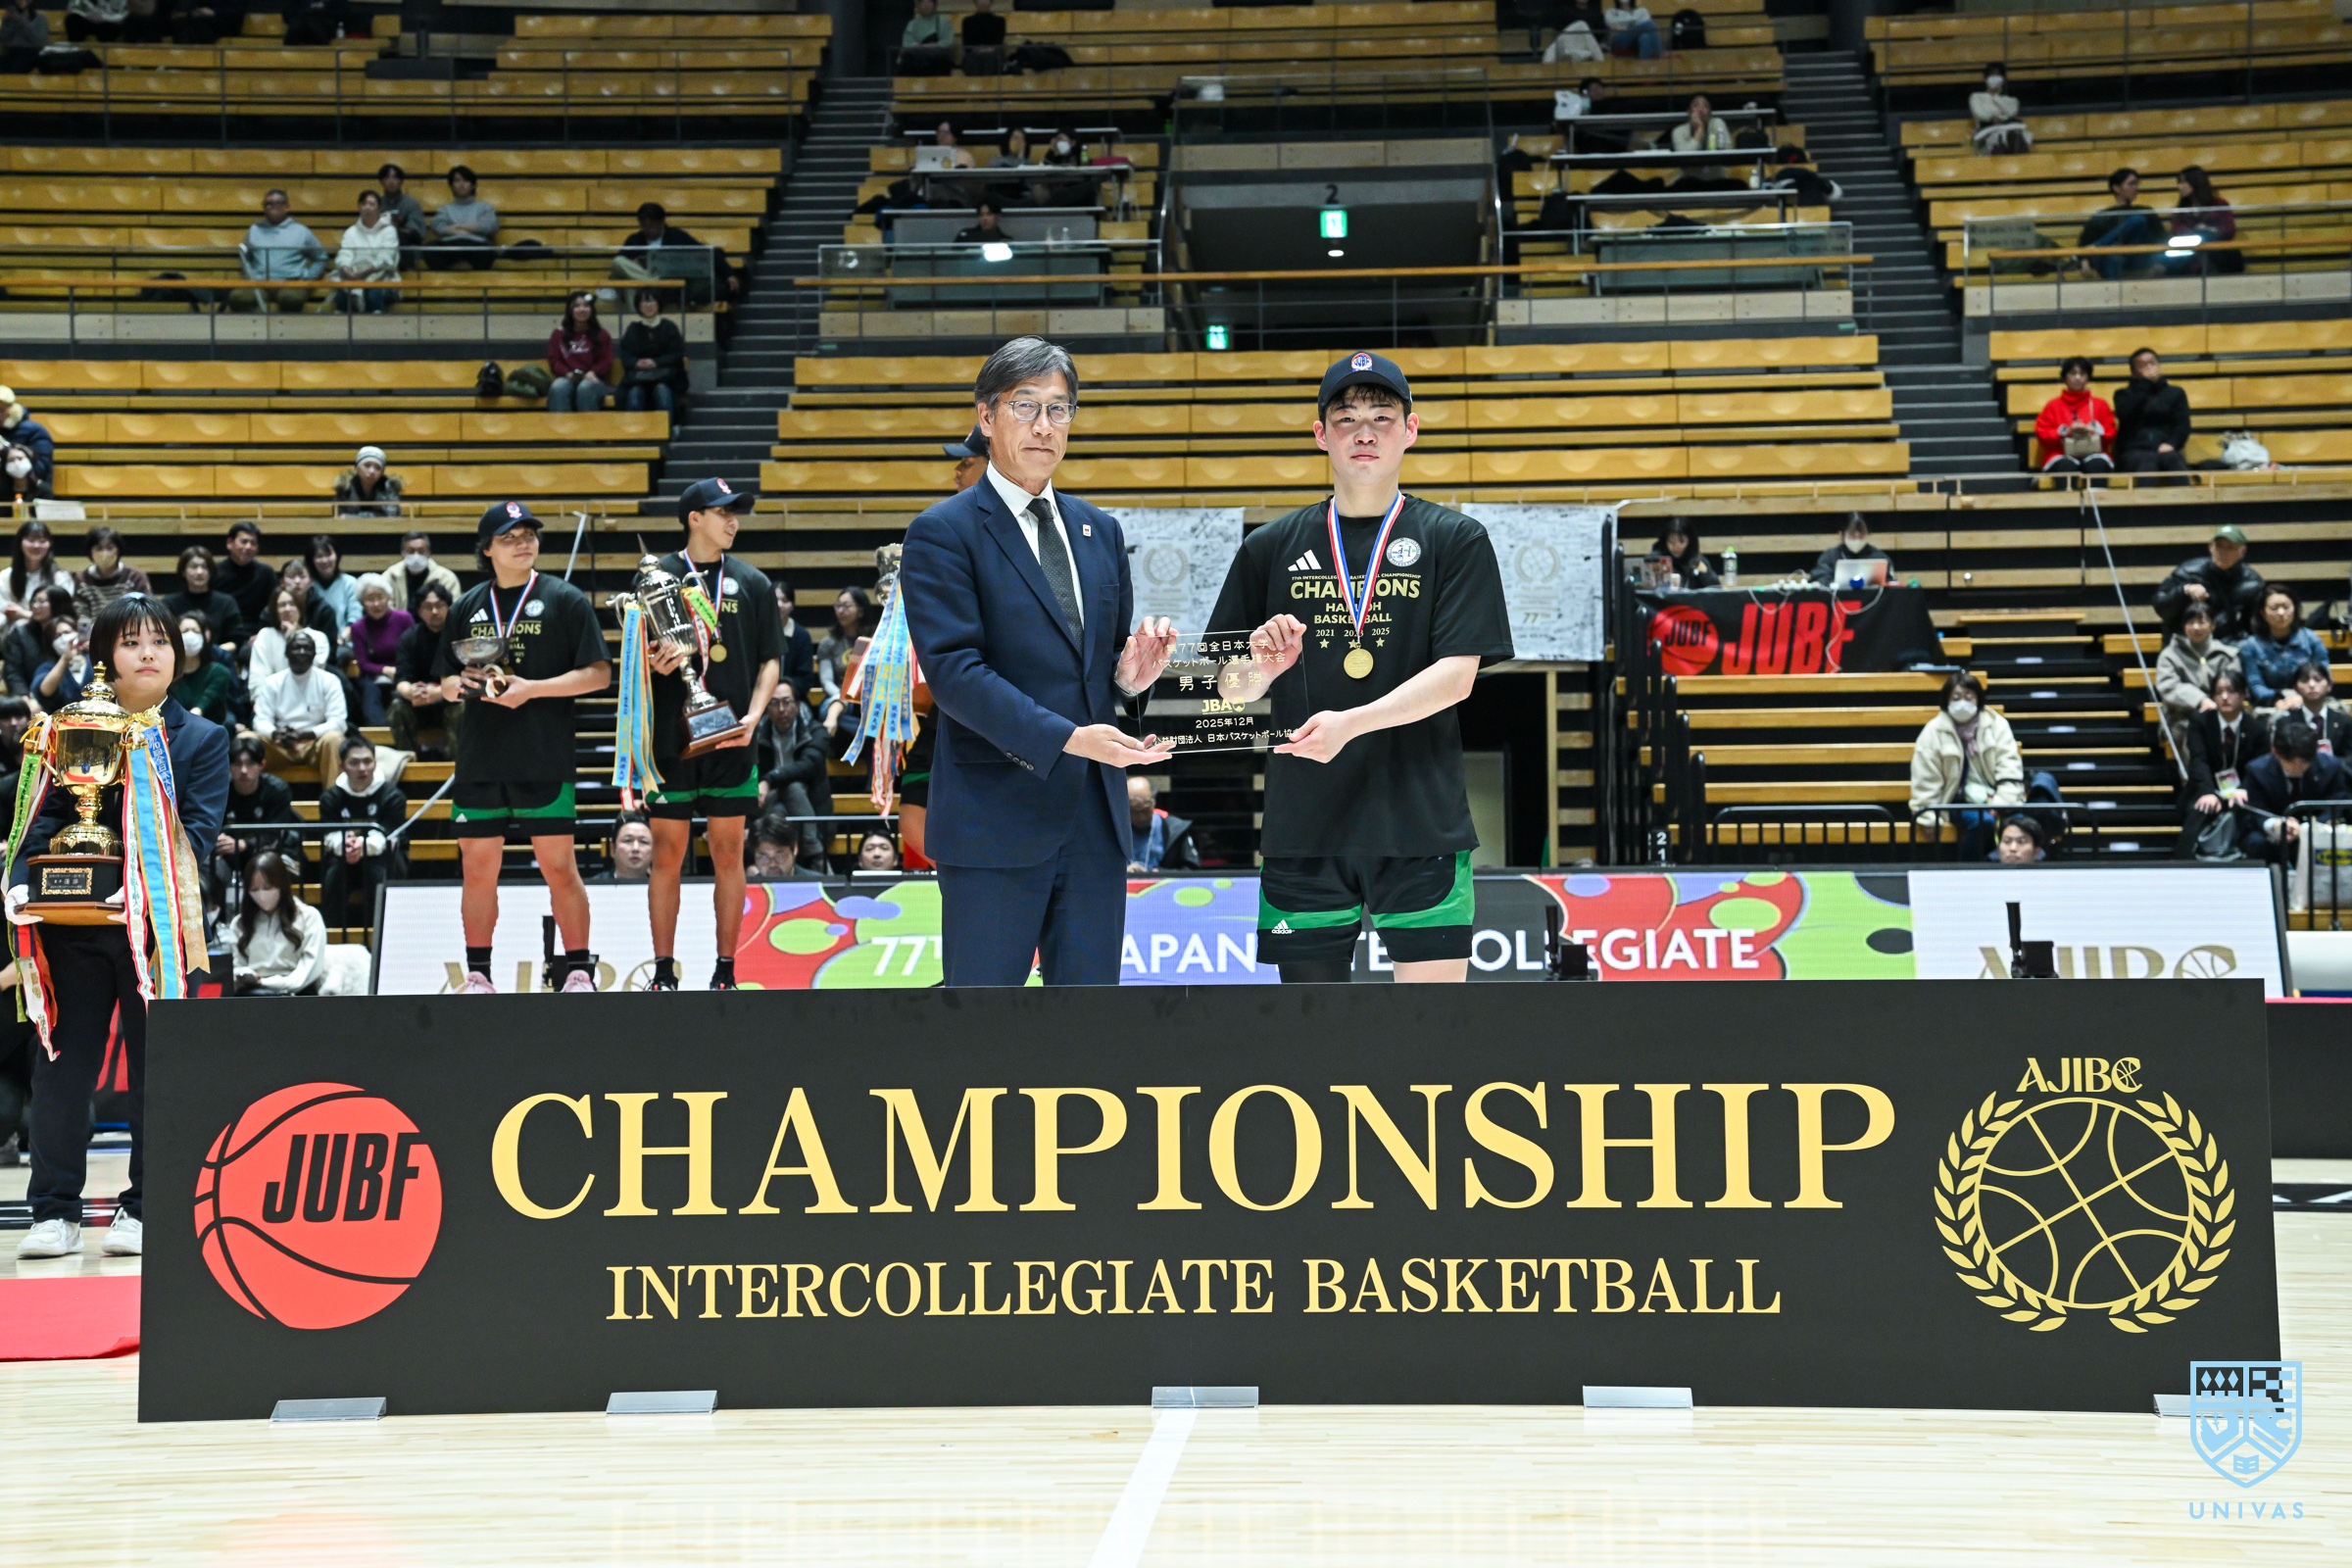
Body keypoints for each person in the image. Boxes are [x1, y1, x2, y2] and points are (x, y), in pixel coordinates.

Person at [1210, 352, 1513, 984]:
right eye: (1346, 419)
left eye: (1382, 416)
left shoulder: (1456, 539)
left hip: (1420, 822)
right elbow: (1227, 689)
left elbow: (1458, 676)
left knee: (1431, 1028)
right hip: (1304, 827)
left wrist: (1350, 724)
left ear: (1411, 430)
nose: (1365, 432)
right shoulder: (1268, 547)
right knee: (1314, 1034)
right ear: (1321, 435)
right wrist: (1261, 669)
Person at [901, 336, 1179, 987]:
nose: (1044, 426)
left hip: (1095, 824)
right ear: (986, 417)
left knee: (1086, 1027)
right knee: (986, 1023)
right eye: (1025, 406)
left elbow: (1100, 669)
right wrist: (1070, 738)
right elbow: (955, 675)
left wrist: (1130, 677)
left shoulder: (1100, 530)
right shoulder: (943, 532)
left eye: (1059, 409)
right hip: (993, 819)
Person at [8, 594, 229, 1260]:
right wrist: (22, 879)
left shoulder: (202, 739)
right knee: (61, 1070)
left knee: (157, 1071)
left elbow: (198, 835)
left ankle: (143, 1207)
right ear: (105, 656)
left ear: (177, 656)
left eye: (159, 641)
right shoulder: (69, 728)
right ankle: (54, 1212)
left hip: (157, 933)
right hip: (72, 926)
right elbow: (41, 818)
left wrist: (132, 884)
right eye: (132, 642)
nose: (148, 654)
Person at [432, 501, 611, 994]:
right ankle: (479, 975)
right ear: (487, 549)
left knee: (560, 868)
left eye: (528, 534)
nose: (523, 543)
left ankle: (579, 971)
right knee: (477, 872)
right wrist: (462, 687)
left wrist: (531, 689)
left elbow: (599, 675)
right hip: (481, 758)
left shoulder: (565, 599)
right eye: (509, 537)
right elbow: (445, 681)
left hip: (543, 755)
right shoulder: (467, 606)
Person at [629, 478, 784, 994]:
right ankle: (663, 973)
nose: (733, 521)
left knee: (729, 853)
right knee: (667, 853)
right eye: (723, 513)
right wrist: (651, 661)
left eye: (736, 513)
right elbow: (632, 658)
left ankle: (726, 971)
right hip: (669, 740)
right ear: (694, 518)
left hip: (733, 737)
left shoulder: (753, 582)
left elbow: (770, 660)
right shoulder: (655, 576)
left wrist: (754, 718)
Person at [1909, 671, 2025, 858]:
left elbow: (2009, 766)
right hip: (1956, 801)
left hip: (1996, 798)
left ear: (1978, 699)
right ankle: (1967, 870)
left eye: (1968, 697)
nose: (1962, 703)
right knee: (1983, 823)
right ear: (1946, 701)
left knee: (2022, 826)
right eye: (1956, 698)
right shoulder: (1933, 731)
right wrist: (1928, 817)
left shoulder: (1997, 725)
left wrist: (2002, 803)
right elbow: (1925, 778)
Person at [316, 734, 405, 930]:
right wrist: (345, 845)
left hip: (383, 859)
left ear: (375, 763)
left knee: (377, 873)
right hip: (344, 858)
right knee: (334, 875)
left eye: (367, 761)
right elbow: (330, 835)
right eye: (354, 763)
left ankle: (382, 934)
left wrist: (363, 846)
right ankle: (332, 935)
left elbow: (390, 834)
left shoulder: (393, 796)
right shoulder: (331, 797)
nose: (362, 768)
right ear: (342, 766)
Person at [2239, 715, 2349, 864]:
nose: (2297, 769)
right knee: (2256, 842)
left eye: (2303, 763)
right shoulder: (2258, 770)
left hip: (2317, 827)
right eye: (2290, 763)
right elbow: (2256, 809)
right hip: (2274, 829)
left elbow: (2336, 802)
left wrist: (2308, 827)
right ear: (2275, 752)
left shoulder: (2331, 767)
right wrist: (2275, 825)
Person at [2180, 668, 2268, 856]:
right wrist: (2208, 791)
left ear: (2244, 694)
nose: (2225, 697)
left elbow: (2258, 768)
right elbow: (2199, 761)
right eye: (2219, 692)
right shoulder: (2200, 722)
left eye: (2231, 691)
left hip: (2243, 790)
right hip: (2207, 785)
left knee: (2250, 812)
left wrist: (2243, 788)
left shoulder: (2257, 729)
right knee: (2200, 808)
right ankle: (2183, 861)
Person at [211, 733, 300, 908]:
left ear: (262, 765)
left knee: (273, 869)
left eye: (250, 764)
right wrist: (219, 841)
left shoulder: (277, 790)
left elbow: (274, 833)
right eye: (237, 764)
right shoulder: (219, 791)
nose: (243, 770)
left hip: (268, 852)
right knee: (211, 871)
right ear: (229, 767)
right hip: (228, 856)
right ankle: (218, 920)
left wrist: (243, 844)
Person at [252, 625, 346, 785]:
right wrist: (276, 733)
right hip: (280, 744)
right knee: (247, 740)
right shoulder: (272, 682)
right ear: (286, 653)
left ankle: (333, 797)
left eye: (307, 649)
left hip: (315, 744)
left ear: (314, 654)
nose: (302, 652)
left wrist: (306, 734)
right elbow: (260, 721)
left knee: (334, 739)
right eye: (296, 648)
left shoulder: (329, 681)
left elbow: (338, 722)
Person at [226, 851, 324, 996]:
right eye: (254, 889)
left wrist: (269, 983)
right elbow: (236, 966)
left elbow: (308, 971)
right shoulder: (240, 923)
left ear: (282, 884)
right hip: (252, 994)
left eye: (267, 888)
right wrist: (244, 975)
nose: (261, 895)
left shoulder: (309, 917)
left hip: (297, 994)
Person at [756, 685, 833, 864]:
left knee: (792, 789)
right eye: (774, 703)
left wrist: (770, 780)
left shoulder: (815, 731)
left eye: (787, 702)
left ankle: (773, 864)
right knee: (781, 801)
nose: (781, 709)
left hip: (811, 807)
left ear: (798, 705)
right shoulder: (758, 734)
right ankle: (816, 854)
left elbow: (808, 766)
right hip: (770, 801)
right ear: (766, 708)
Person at [2153, 600, 2238, 760]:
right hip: (2182, 717)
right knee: (2194, 737)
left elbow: (2234, 685)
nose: (2196, 627)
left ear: (2213, 625)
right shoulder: (2170, 654)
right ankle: (2197, 776)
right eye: (2190, 622)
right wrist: (2200, 700)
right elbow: (2169, 686)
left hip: (2221, 714)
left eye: (2202, 622)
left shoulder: (2227, 655)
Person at [612, 201, 736, 305]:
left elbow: (704, 253)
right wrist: (634, 264)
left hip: (668, 287)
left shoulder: (677, 236)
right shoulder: (634, 240)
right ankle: (652, 284)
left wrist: (728, 274)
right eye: (645, 226)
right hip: (643, 288)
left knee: (632, 282)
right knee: (620, 265)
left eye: (652, 226)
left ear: (661, 222)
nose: (649, 230)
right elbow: (620, 264)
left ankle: (654, 285)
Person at [2154, 523, 2263, 640]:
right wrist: (2184, 590)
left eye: (2230, 547)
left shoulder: (2252, 582)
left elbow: (2258, 625)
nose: (2223, 552)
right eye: (2219, 546)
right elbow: (2161, 608)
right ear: (2211, 547)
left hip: (2232, 645)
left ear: (2242, 551)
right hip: (2188, 643)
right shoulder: (2188, 572)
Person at [390, 579, 458, 757]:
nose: (434, 611)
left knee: (464, 707)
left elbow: (467, 678)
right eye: (428, 607)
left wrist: (438, 692)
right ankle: (407, 763)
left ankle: (456, 767)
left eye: (439, 605)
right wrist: (411, 692)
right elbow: (402, 677)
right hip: (419, 703)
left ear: (449, 607)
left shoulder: (460, 636)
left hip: (450, 700)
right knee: (397, 707)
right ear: (419, 611)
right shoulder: (409, 638)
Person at [234, 188, 326, 313]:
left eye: (276, 203)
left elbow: (321, 258)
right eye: (268, 204)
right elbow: (245, 257)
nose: (271, 207)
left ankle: (289, 326)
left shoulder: (301, 231)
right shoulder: (254, 230)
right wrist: (250, 276)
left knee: (291, 299)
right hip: (259, 283)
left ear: (287, 207)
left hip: (290, 284)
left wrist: (307, 280)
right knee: (239, 298)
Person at [2240, 584, 2329, 709]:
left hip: (2309, 701)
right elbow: (2255, 684)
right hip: (2270, 705)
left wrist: (2303, 697)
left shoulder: (2311, 639)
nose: (2281, 613)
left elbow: (2324, 675)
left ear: (2295, 609)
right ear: (2263, 613)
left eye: (2286, 607)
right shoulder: (2250, 646)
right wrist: (2277, 701)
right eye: (2274, 608)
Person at [2114, 347, 2189, 482]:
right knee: (2147, 462)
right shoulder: (2123, 395)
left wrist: (2172, 444)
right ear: (2133, 372)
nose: (2149, 367)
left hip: (2165, 447)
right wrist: (2145, 384)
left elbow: (2182, 425)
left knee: (2175, 461)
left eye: (2152, 363)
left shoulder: (2175, 393)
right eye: (2143, 365)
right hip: (2134, 450)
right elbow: (2125, 414)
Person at [2076, 168, 2163, 280]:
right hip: (2111, 259)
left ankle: (2098, 245)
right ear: (2116, 188)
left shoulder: (2145, 211)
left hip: (2138, 258)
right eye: (2131, 184)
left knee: (2138, 220)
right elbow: (2085, 241)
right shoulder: (2103, 216)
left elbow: (2160, 238)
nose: (2135, 188)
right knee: (2114, 254)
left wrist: (2159, 261)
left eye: (2137, 184)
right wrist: (2084, 260)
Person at [349, 572, 412, 726]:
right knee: (370, 693)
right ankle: (379, 733)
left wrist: (399, 670)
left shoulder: (404, 619)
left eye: (380, 597)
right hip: (373, 676)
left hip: (404, 671)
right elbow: (363, 663)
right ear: (362, 602)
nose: (376, 604)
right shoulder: (358, 628)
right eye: (370, 599)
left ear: (388, 598)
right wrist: (386, 670)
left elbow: (414, 651)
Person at [2034, 357, 2115, 476]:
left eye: (2082, 374)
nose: (2077, 377)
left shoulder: (2100, 404)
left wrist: (2092, 430)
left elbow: (2111, 433)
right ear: (2065, 377)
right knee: (2066, 466)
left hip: (2095, 452)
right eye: (2073, 373)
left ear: (2088, 377)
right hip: (2060, 453)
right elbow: (2043, 434)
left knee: (2097, 465)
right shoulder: (2053, 406)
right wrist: (2065, 432)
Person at [329, 189, 401, 314]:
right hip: (353, 275)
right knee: (342, 295)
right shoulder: (351, 231)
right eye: (364, 204)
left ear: (379, 208)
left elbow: (385, 258)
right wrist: (347, 271)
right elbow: (345, 254)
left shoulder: (389, 231)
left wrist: (364, 273)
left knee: (373, 294)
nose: (367, 207)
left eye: (372, 204)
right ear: (359, 207)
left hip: (381, 275)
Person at [617, 287, 687, 414]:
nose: (648, 305)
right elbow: (625, 355)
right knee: (634, 395)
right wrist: (637, 363)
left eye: (652, 301)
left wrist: (655, 362)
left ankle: (668, 425)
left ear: (659, 303)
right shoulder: (632, 329)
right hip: (638, 378)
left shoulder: (669, 327)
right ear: (638, 305)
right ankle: (634, 427)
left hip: (666, 378)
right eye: (644, 301)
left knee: (662, 393)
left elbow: (677, 354)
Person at [815, 586, 872, 734]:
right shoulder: (828, 643)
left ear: (861, 611)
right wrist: (843, 697)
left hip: (869, 698)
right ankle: (869, 733)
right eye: (838, 606)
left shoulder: (875, 639)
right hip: (840, 698)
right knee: (826, 710)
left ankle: (865, 733)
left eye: (846, 606)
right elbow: (826, 681)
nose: (840, 611)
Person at [548, 292, 614, 415]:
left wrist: (593, 372)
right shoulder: (558, 334)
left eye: (586, 306)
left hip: (594, 379)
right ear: (570, 310)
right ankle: (560, 426)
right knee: (558, 387)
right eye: (577, 306)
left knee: (585, 388)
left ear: (591, 310)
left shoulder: (602, 334)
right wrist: (567, 373)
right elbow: (554, 360)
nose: (582, 309)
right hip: (567, 377)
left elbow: (606, 361)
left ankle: (589, 427)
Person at [73, 525, 153, 625]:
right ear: (90, 552)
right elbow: (81, 614)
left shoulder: (135, 577)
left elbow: (146, 609)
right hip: (94, 630)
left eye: (110, 548)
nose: (104, 553)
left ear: (118, 550)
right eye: (99, 548)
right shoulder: (82, 579)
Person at [169, 612, 240, 725]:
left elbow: (203, 704)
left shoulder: (219, 672)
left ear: (205, 637)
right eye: (185, 631)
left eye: (196, 631)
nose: (190, 636)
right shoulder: (167, 673)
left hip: (210, 727)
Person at [2167, 166, 2238, 276]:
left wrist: (2209, 231)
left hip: (2215, 254)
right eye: (2179, 182)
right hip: (2189, 256)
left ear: (2196, 182)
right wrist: (2198, 232)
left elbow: (2229, 230)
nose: (2180, 186)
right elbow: (2176, 231)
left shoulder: (2219, 204)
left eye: (2183, 182)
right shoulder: (2181, 209)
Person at [3, 587, 74, 700]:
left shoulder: (74, 633)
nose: (35, 606)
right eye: (33, 601)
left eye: (41, 601)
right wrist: (23, 697)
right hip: (32, 696)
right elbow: (13, 671)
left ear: (58, 604)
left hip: (72, 697)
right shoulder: (20, 634)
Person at [165, 545, 239, 651]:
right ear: (183, 571)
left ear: (211, 572)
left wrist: (209, 653)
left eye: (204, 567)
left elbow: (235, 642)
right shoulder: (169, 603)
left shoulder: (227, 603)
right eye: (193, 567)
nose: (199, 572)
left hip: (217, 657)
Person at [427, 165, 498, 270]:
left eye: (466, 180)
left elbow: (489, 227)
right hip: (451, 245)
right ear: (451, 185)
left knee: (487, 254)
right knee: (430, 251)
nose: (461, 184)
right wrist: (464, 232)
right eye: (457, 181)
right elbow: (437, 226)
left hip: (477, 245)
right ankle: (445, 279)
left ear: (473, 185)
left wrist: (459, 226)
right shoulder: (445, 209)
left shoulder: (485, 207)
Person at [214, 521, 277, 636]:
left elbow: (273, 610)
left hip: (257, 635)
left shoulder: (266, 573)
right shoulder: (215, 572)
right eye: (244, 542)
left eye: (253, 543)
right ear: (229, 543)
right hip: (222, 634)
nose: (248, 547)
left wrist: (262, 635)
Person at [1127, 776, 1200, 872]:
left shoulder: (1175, 829)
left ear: (1154, 802)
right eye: (1134, 811)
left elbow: (1192, 870)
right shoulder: (1112, 831)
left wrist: (1161, 874)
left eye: (1145, 810)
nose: (1141, 817)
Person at [2281, 662, 2352, 758]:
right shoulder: (2286, 722)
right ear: (2296, 689)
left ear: (2329, 685)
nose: (2311, 684)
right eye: (2304, 680)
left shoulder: (2345, 721)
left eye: (2318, 680)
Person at [2, 517, 63, 623]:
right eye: (31, 540)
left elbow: (62, 614)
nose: (36, 545)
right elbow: (4, 610)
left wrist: (23, 614)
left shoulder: (60, 577)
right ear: (20, 543)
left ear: (50, 544)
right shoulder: (5, 576)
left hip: (48, 630)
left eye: (42, 541)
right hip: (13, 631)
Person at [384, 527, 461, 612]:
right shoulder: (390, 576)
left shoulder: (447, 578)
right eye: (411, 551)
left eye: (421, 551)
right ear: (403, 552)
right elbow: (384, 610)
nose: (416, 556)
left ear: (429, 552)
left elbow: (454, 610)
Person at [747, 807, 828, 881]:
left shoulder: (817, 884)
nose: (772, 864)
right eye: (764, 858)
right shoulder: (748, 888)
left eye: (780, 856)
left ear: (795, 849)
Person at [0, 390, 53, 503]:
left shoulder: (34, 432)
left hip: (31, 493)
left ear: (11, 410)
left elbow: (41, 468)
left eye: (1, 410)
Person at [1809, 514, 1890, 586]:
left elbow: (1890, 583)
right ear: (1841, 534)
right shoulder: (1830, 557)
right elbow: (1821, 580)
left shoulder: (1880, 557)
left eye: (1861, 535)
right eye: (1852, 535)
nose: (1857, 539)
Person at [773, 579, 817, 703]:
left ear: (792, 606)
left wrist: (782, 692)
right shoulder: (757, 633)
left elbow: (805, 679)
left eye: (785, 600)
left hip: (793, 700)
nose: (779, 604)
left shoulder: (802, 636)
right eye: (775, 600)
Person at [1970, 63, 2030, 154]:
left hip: (2009, 130)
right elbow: (1979, 113)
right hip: (1987, 133)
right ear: (1986, 78)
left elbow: (2011, 112)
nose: (1995, 78)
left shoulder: (2011, 100)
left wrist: (1995, 97)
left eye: (1998, 75)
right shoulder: (1976, 97)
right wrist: (1992, 118)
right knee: (1997, 144)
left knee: (2016, 137)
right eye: (1992, 75)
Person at [305, 533, 360, 631]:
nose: (324, 560)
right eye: (319, 556)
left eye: (328, 555)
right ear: (311, 560)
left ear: (337, 556)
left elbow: (355, 618)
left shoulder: (350, 583)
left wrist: (342, 638)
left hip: (343, 639)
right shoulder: (307, 585)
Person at [334, 445, 404, 517]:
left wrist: (353, 517)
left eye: (378, 468)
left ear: (382, 472)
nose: (372, 471)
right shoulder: (345, 487)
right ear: (357, 468)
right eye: (367, 465)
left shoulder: (389, 488)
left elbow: (390, 518)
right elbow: (339, 518)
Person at [376, 162, 426, 254]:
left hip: (407, 245)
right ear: (381, 182)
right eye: (387, 177)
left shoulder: (412, 204)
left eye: (395, 177)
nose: (391, 181)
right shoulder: (376, 204)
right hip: (381, 244)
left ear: (401, 181)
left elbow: (415, 231)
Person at [1651, 519, 1717, 590]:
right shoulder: (1655, 559)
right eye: (1671, 542)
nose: (1676, 546)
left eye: (1682, 541)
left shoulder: (1697, 561)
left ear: (1690, 541)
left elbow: (1715, 589)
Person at [601, 811, 654, 883]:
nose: (635, 848)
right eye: (628, 840)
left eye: (643, 842)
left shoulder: (662, 887)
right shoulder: (593, 887)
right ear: (612, 849)